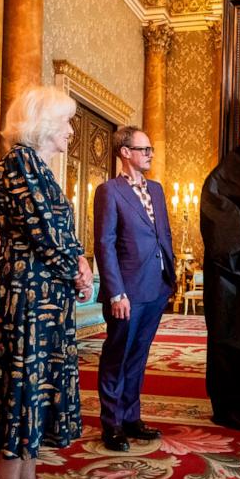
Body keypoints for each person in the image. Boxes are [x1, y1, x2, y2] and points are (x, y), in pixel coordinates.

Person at [0, 86, 93, 479]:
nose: (72, 131)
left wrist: (78, 262)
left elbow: (57, 231)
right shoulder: (17, 164)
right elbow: (42, 230)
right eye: (67, 122)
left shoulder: (39, 167)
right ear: (44, 124)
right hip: (26, 295)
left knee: (35, 394)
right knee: (19, 396)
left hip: (44, 294)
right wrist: (76, 266)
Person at [94, 126, 176, 452]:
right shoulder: (109, 191)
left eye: (151, 148)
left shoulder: (156, 189)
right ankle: (111, 423)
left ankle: (131, 417)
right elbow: (105, 243)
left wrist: (169, 280)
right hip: (126, 292)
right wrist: (116, 292)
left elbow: (163, 235)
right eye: (144, 149)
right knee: (117, 356)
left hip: (156, 287)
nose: (150, 154)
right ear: (125, 152)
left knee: (138, 357)